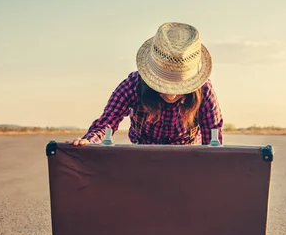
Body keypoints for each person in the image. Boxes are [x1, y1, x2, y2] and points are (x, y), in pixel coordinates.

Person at [67, 22, 223, 146]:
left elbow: (213, 140)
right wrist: (89, 141)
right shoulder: (133, 85)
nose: (171, 95)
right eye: (162, 85)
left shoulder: (204, 91)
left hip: (187, 159)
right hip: (142, 156)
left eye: (179, 87)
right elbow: (106, 122)